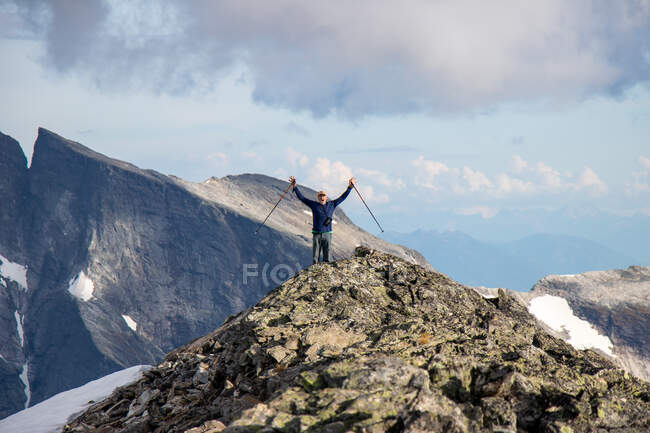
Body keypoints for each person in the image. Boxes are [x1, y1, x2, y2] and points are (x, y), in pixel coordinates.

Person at [289, 175, 356, 264]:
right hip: (316, 234)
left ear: (326, 197)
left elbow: (342, 197)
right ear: (318, 197)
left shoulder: (332, 204)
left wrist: (350, 187)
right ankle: (314, 272)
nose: (322, 197)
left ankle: (325, 272)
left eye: (323, 195)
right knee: (315, 257)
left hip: (327, 234)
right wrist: (295, 187)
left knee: (326, 257)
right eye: (320, 196)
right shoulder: (314, 205)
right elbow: (302, 198)